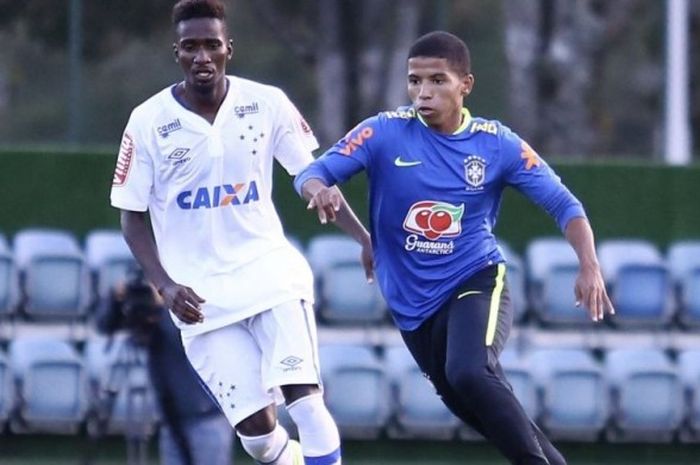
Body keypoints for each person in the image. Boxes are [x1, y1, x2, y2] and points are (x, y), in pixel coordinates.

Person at [294, 31, 615, 465]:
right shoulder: (383, 132)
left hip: (475, 279)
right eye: (415, 81)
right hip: (412, 306)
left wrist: (589, 266)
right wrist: (322, 191)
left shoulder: (496, 143)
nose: (423, 93)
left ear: (465, 85)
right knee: (478, 405)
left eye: (437, 81)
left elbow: (564, 203)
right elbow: (311, 174)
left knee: (468, 371)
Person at [110, 1, 366, 464]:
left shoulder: (266, 103)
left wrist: (363, 238)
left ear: (229, 47)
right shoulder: (147, 121)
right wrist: (165, 286)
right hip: (201, 299)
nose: (202, 56)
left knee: (306, 402)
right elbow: (132, 217)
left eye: (212, 45)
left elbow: (309, 172)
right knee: (258, 439)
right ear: (177, 53)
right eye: (191, 47)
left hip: (270, 277)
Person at [98, 275, 234, 465]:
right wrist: (115, 298)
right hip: (171, 419)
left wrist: (163, 307)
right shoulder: (150, 318)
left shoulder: (192, 297)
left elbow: (180, 338)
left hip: (206, 415)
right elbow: (104, 325)